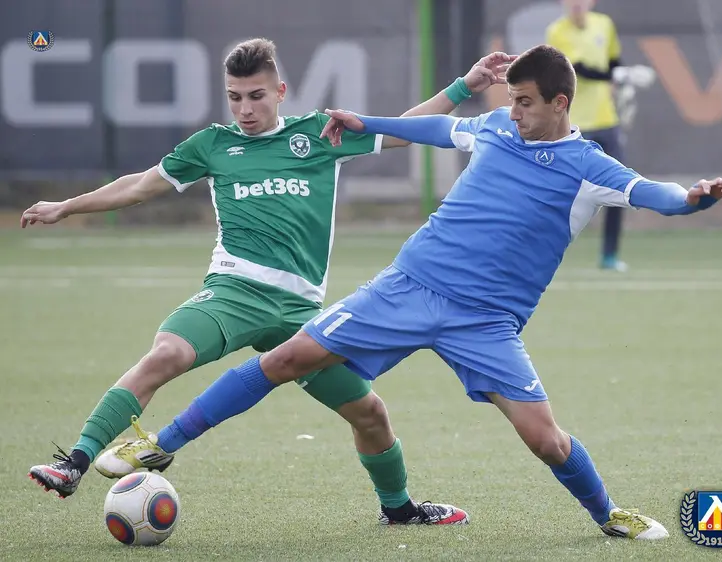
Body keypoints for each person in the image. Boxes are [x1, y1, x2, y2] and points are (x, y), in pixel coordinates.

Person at [139, 44, 722, 539]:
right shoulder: (497, 126)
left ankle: (608, 514)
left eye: (525, 103)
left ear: (560, 103)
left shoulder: (589, 166)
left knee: (545, 440)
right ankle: (161, 445)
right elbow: (438, 129)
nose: (514, 113)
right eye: (511, 100)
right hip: (409, 285)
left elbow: (657, 195)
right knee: (287, 358)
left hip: (485, 322)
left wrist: (695, 197)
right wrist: (368, 122)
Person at [24, 38, 511, 525]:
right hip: (234, 293)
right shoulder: (212, 145)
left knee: (370, 413)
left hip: (300, 314)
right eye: (234, 97)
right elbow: (138, 185)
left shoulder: (318, 134)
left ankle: (399, 509)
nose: (245, 109)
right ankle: (74, 463)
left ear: (279, 92)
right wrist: (67, 206)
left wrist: (464, 86)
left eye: (256, 96)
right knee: (167, 353)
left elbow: (403, 130)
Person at [546, 0, 628, 271]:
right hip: (575, 125)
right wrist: (617, 76)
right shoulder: (557, 31)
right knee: (557, 193)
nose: (576, 4)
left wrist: (622, 77)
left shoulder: (604, 24)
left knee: (620, 187)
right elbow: (579, 69)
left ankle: (609, 255)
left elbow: (613, 60)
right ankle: (541, 251)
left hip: (607, 120)